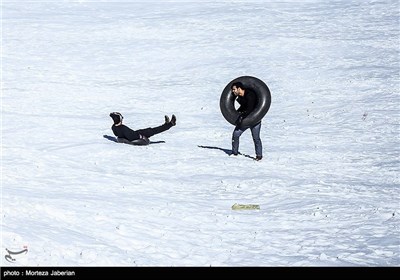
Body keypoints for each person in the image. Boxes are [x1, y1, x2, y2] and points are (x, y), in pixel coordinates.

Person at [230, 82, 263, 161]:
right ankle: (234, 153)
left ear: (239, 89)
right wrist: (237, 114)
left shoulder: (250, 95)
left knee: (256, 138)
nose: (233, 91)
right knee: (236, 134)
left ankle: (259, 155)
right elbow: (243, 107)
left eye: (234, 89)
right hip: (245, 121)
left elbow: (249, 108)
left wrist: (242, 116)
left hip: (255, 119)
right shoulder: (240, 97)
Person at [109, 112, 176, 145]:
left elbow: (117, 134)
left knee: (151, 130)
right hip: (137, 135)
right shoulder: (123, 128)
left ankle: (166, 125)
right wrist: (141, 136)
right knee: (152, 131)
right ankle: (170, 124)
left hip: (134, 133)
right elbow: (132, 137)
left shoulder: (114, 127)